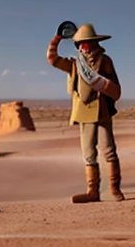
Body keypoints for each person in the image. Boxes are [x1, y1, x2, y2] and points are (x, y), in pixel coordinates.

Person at [47, 23, 125, 203]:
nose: (85, 47)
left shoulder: (105, 61)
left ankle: (115, 189)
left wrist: (105, 86)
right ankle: (93, 191)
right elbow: (52, 59)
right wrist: (57, 38)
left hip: (102, 110)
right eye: (81, 43)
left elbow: (115, 87)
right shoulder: (75, 64)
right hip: (84, 112)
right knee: (88, 152)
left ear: (95, 43)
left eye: (88, 43)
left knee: (109, 151)